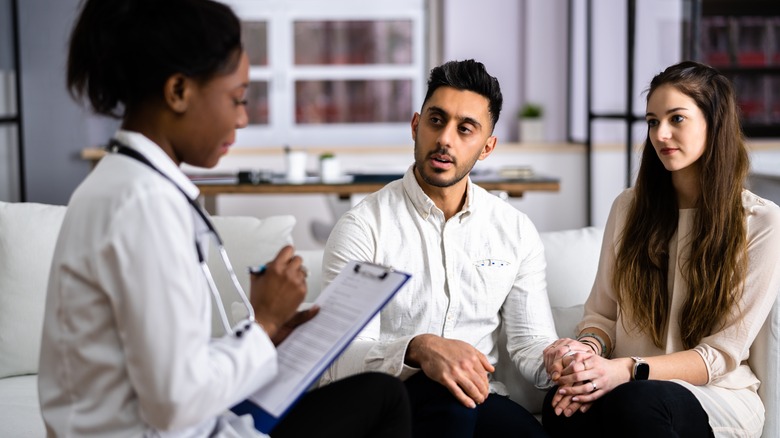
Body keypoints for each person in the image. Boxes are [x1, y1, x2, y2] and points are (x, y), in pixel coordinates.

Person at [38, 1, 411, 437]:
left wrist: (261, 333)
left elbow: (161, 361)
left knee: (378, 394)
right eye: (237, 99)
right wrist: (266, 322)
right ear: (178, 91)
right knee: (384, 402)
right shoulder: (143, 206)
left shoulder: (123, 184)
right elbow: (176, 401)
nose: (243, 118)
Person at [541, 60, 780, 437]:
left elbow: (719, 356)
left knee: (637, 402)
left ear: (713, 123)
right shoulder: (629, 208)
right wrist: (585, 354)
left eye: (676, 119)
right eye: (652, 121)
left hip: (716, 395)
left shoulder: (760, 222)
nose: (660, 134)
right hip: (630, 387)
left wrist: (625, 370)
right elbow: (602, 317)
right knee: (564, 407)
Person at [319, 59, 556, 437]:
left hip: (480, 397)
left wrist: (563, 360)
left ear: (486, 147)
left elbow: (531, 344)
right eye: (436, 120)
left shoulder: (514, 230)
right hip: (393, 401)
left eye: (465, 129)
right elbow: (337, 360)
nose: (445, 138)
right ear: (416, 125)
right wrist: (418, 348)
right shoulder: (365, 227)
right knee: (447, 400)